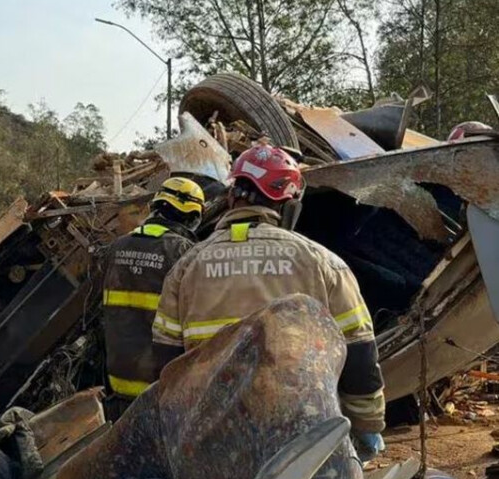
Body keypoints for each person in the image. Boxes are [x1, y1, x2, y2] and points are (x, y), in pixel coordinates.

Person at [152, 142, 386, 460]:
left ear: (231, 197)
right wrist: (367, 425)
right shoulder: (323, 263)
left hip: (213, 438)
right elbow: (359, 354)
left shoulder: (186, 269)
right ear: (289, 205)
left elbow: (167, 365)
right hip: (302, 437)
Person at [97, 176, 203, 418]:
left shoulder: (116, 247)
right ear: (191, 216)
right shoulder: (183, 252)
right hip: (158, 385)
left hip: (116, 380)